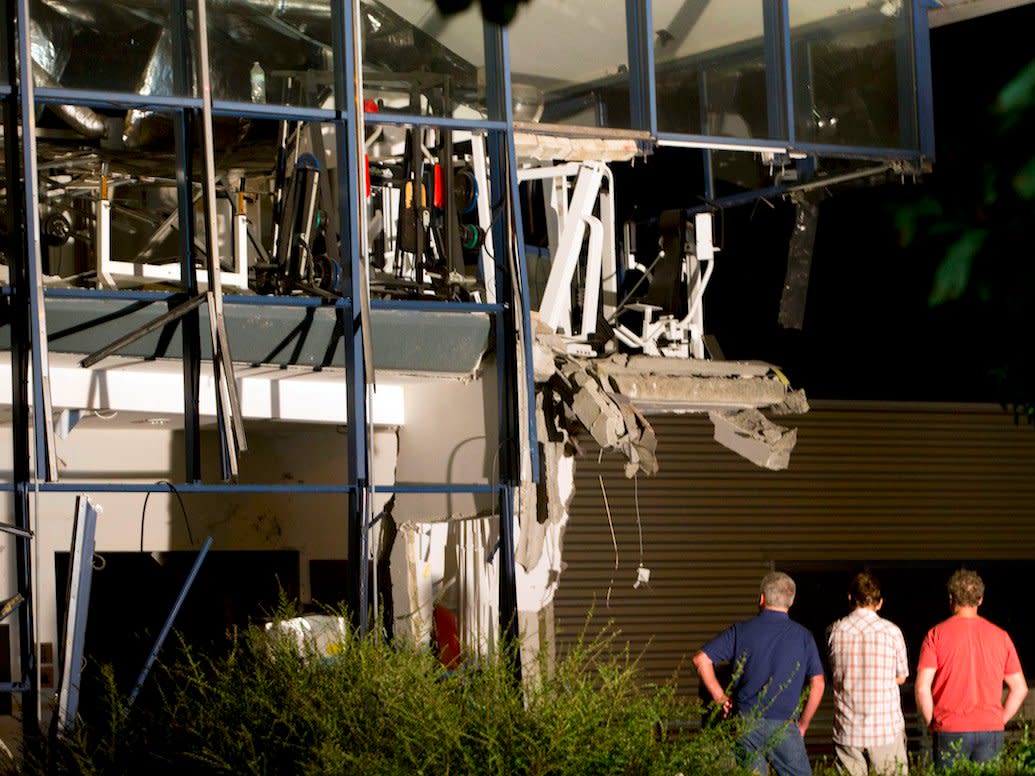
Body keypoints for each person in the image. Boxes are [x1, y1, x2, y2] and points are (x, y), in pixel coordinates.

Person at [693, 571, 825, 776]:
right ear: (791, 601)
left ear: (762, 598)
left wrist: (720, 697)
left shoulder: (741, 631)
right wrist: (803, 725)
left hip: (746, 723)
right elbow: (818, 684)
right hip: (784, 725)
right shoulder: (803, 637)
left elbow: (701, 660)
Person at [915, 569, 1028, 768]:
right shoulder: (1001, 636)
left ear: (951, 599)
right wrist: (999, 719)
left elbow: (922, 687)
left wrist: (931, 722)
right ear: (980, 600)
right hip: (990, 729)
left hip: (949, 728)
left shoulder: (935, 635)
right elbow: (1020, 689)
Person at [827, 572, 909, 775]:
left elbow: (836, 675)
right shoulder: (892, 632)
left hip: (848, 729)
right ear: (880, 603)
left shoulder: (835, 632)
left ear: (850, 598)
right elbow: (901, 677)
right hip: (885, 729)